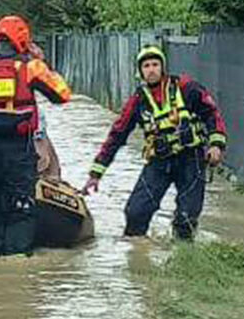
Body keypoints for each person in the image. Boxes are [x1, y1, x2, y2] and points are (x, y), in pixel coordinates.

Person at [0, 15, 72, 256]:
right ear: (24, 40)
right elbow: (63, 94)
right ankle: (16, 270)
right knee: (21, 211)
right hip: (18, 151)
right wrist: (41, 61)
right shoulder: (31, 66)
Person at [82, 45, 227, 240]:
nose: (151, 69)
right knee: (135, 213)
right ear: (140, 71)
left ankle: (183, 258)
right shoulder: (138, 100)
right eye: (146, 66)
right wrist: (96, 174)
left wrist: (216, 144)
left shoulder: (186, 87)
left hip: (191, 159)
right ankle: (137, 256)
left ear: (162, 67)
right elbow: (117, 136)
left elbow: (212, 114)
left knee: (186, 219)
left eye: (155, 64)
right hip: (160, 161)